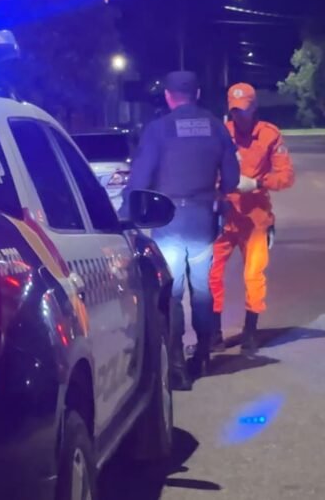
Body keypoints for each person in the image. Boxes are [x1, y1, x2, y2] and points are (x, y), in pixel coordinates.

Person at [120, 70, 239, 390]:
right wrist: (216, 192)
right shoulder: (216, 127)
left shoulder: (158, 129)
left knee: (171, 293)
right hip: (202, 219)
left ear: (168, 96)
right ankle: (202, 355)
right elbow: (231, 179)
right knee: (202, 290)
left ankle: (176, 366)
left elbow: (140, 178)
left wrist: (126, 214)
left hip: (168, 220)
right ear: (197, 94)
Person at [208, 83, 294, 357]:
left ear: (254, 107)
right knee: (210, 274)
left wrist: (257, 182)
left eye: (244, 110)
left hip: (255, 218)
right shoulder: (222, 133)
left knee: (253, 275)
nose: (239, 116)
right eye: (235, 111)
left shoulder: (269, 135)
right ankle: (214, 334)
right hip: (223, 215)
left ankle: (250, 332)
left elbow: (285, 177)